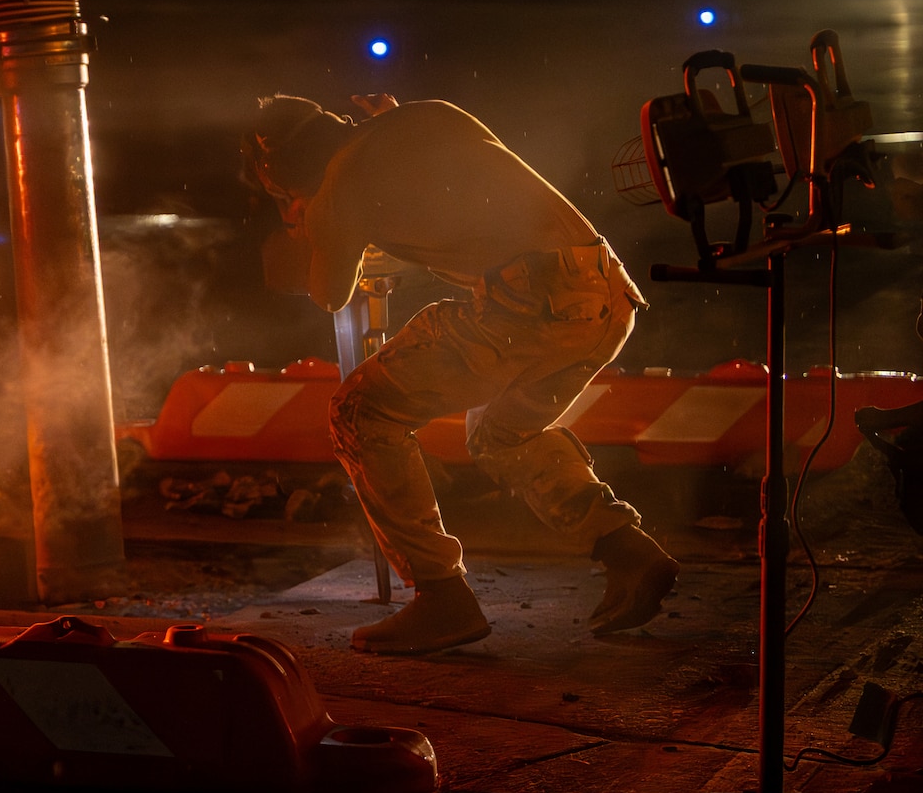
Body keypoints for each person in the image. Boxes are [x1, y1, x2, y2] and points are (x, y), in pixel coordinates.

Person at [248, 92, 679, 654]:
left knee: (359, 411)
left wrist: (307, 226)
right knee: (502, 434)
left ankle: (441, 597)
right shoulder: (430, 113)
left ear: (283, 175)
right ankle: (630, 553)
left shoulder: (335, 189)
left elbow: (329, 292)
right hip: (605, 290)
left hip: (529, 302)